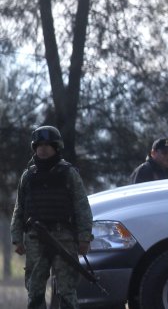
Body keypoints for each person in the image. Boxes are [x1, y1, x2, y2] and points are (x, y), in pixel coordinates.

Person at [10, 126, 94, 309]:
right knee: (35, 290)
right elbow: (19, 209)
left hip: (63, 238)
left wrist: (84, 238)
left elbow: (82, 208)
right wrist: (16, 239)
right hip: (35, 239)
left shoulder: (69, 173)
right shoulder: (28, 176)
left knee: (67, 291)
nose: (43, 148)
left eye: (48, 145)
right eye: (39, 145)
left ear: (56, 147)